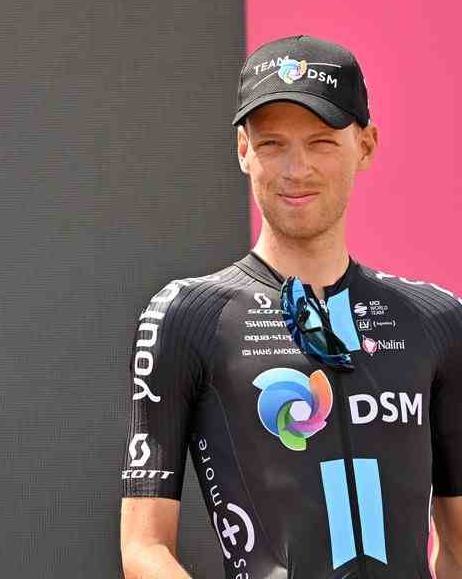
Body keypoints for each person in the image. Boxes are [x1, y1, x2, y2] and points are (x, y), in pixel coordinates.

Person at [119, 36, 462, 578]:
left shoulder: (437, 320)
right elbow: (143, 548)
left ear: (366, 146)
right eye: (273, 143)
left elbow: (459, 545)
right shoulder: (188, 315)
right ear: (242, 151)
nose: (295, 169)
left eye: (322, 142)